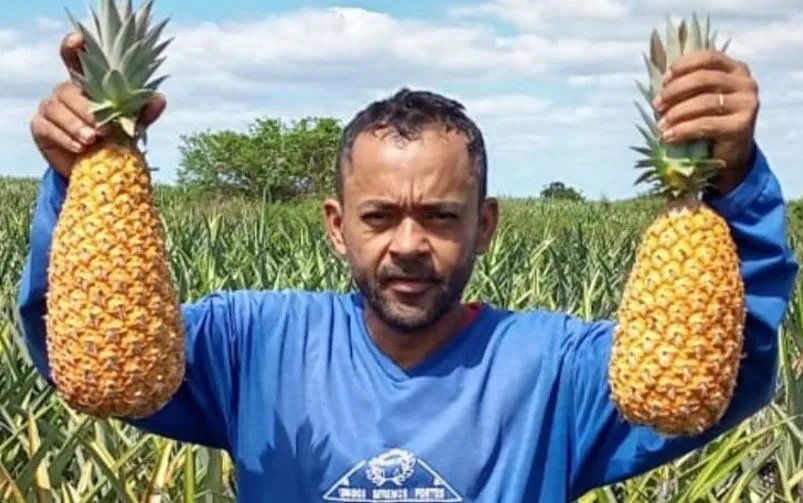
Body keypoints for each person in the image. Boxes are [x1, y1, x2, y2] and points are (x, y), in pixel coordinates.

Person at [17, 32, 799, 502]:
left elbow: (723, 368)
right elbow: (84, 352)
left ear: (484, 225)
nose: (408, 244)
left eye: (440, 215)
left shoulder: (555, 372)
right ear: (336, 225)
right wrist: (79, 180)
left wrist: (733, 189)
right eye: (380, 215)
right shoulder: (248, 343)